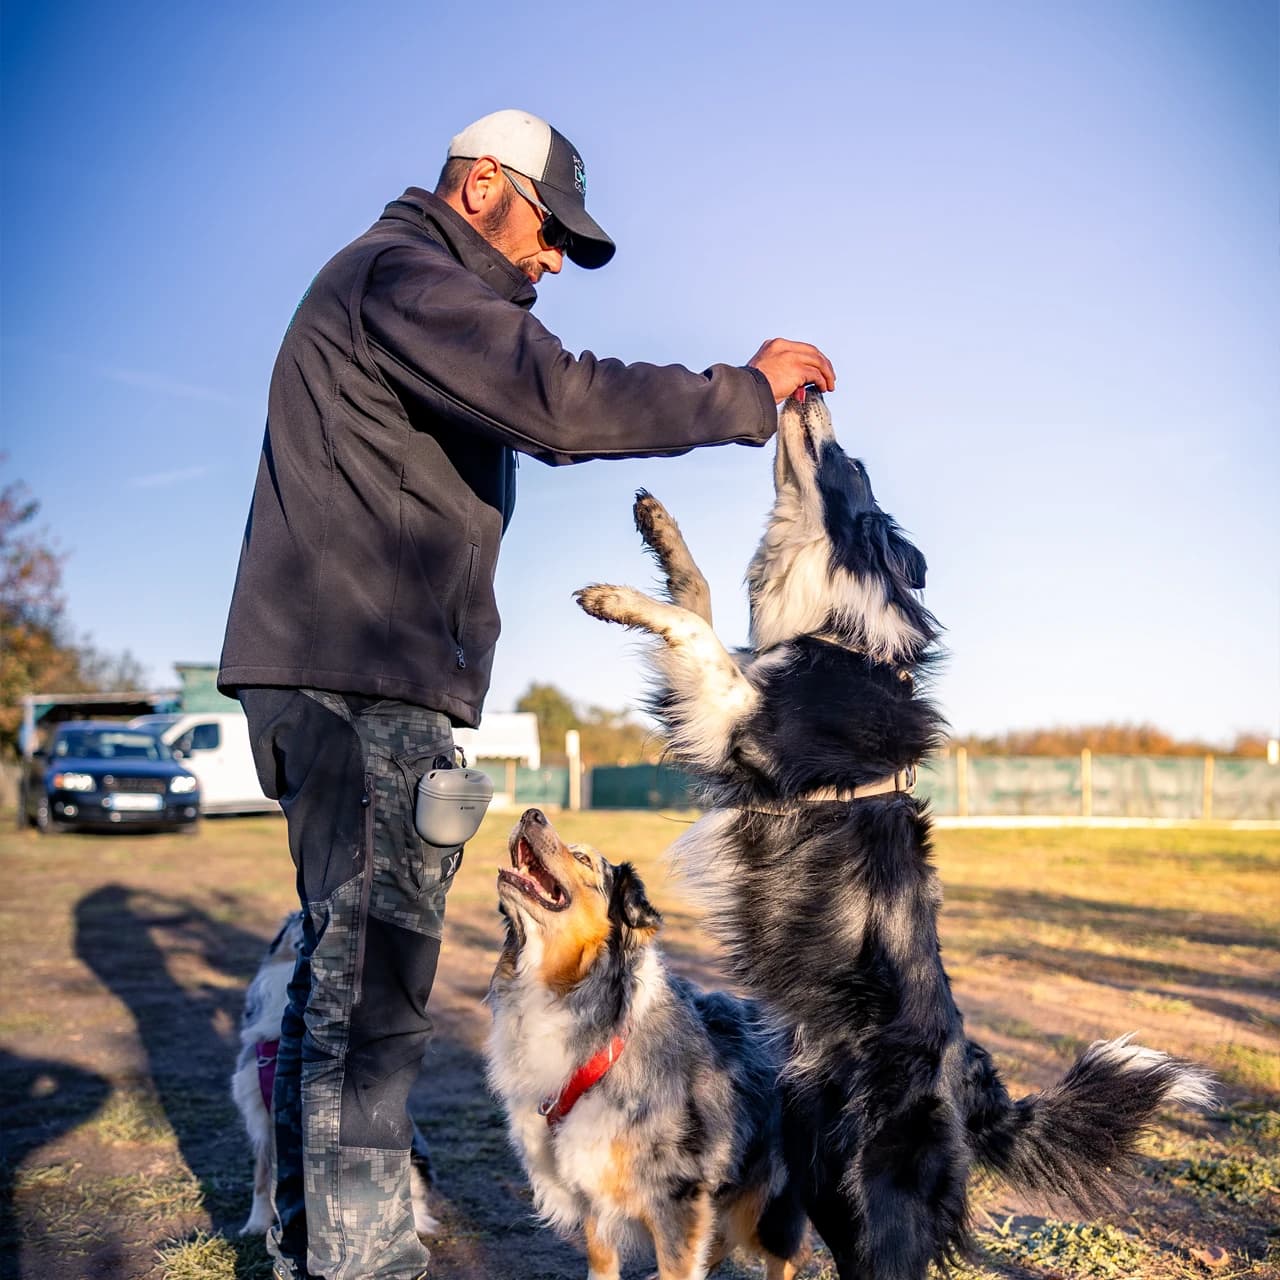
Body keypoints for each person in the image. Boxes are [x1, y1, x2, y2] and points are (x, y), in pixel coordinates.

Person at [218, 108, 834, 1280]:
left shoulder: (386, 285)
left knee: (338, 976)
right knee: (376, 989)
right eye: (550, 230)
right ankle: (361, 1262)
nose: (550, 261)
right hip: (360, 682)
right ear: (483, 185)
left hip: (339, 673)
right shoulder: (404, 274)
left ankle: (311, 1240)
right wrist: (744, 395)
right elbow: (556, 401)